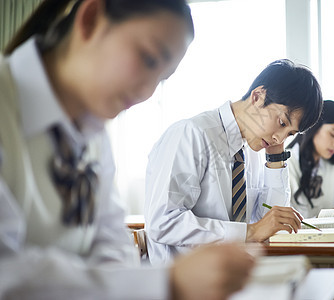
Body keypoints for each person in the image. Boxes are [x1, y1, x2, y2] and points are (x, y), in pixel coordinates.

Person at [0, 0, 257, 299]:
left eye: (160, 79)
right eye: (148, 60)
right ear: (92, 18)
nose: (147, 92)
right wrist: (165, 284)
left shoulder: (93, 134)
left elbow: (111, 245)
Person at [144, 59, 323, 265]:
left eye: (289, 134)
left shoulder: (253, 148)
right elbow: (163, 222)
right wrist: (249, 232)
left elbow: (268, 222)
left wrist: (276, 157)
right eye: (282, 123)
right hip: (184, 284)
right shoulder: (192, 134)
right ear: (257, 97)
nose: (280, 138)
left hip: (235, 279)